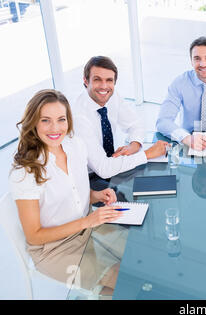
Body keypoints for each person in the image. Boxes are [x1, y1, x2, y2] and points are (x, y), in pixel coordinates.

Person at [9, 89, 125, 294]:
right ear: (33, 122)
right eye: (45, 120)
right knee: (121, 282)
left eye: (61, 119)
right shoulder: (25, 172)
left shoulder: (75, 146)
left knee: (134, 264)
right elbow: (34, 236)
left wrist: (95, 195)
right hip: (54, 250)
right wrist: (87, 221)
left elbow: (73, 191)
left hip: (87, 230)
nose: (55, 128)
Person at [72, 56, 169, 181]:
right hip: (88, 178)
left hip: (112, 166)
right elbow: (103, 168)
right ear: (86, 81)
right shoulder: (79, 117)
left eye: (109, 80)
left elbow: (135, 124)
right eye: (97, 80)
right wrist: (148, 154)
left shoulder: (111, 95)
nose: (104, 86)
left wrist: (134, 145)